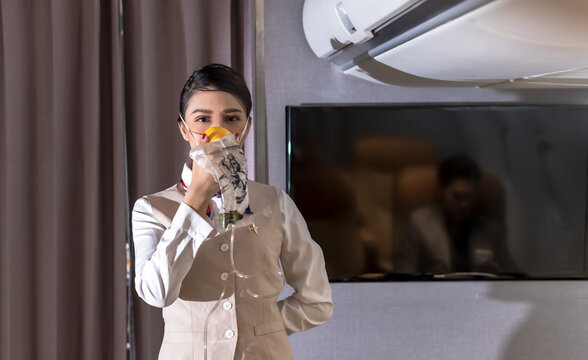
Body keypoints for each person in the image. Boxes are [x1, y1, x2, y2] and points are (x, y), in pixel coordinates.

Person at [132, 64, 333, 360]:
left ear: (246, 129)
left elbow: (317, 302)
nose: (217, 131)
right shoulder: (152, 209)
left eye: (231, 118)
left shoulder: (275, 203)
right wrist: (196, 197)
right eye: (203, 119)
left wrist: (260, 327)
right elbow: (157, 293)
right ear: (184, 130)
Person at [394, 155, 516, 275]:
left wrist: (499, 275)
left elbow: (513, 277)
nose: (465, 204)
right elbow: (403, 276)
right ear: (441, 190)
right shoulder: (418, 225)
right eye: (457, 197)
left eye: (470, 197)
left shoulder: (490, 230)